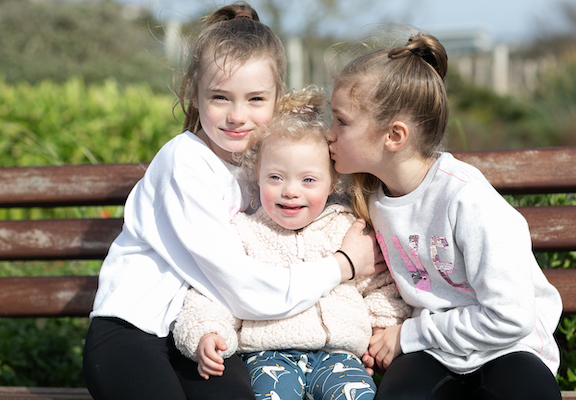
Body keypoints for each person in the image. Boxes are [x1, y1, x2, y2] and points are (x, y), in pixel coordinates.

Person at [82, 3, 383, 400]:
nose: (237, 116)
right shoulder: (184, 162)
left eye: (256, 99)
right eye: (220, 97)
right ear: (194, 91)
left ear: (278, 97)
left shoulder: (260, 169)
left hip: (207, 336)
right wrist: (342, 265)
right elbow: (239, 285)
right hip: (134, 331)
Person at [326, 31, 563, 400]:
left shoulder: (466, 198)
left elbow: (511, 317)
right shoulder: (367, 193)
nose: (329, 133)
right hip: (431, 353)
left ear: (394, 135)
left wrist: (408, 336)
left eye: (341, 121)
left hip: (509, 347)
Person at [172, 86, 410, 400]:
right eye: (276, 177)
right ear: (256, 175)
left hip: (340, 355)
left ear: (332, 181)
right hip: (268, 356)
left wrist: (381, 330)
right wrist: (208, 333)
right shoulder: (244, 232)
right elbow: (212, 294)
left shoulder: (346, 228)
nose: (291, 191)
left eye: (308, 180)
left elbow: (380, 286)